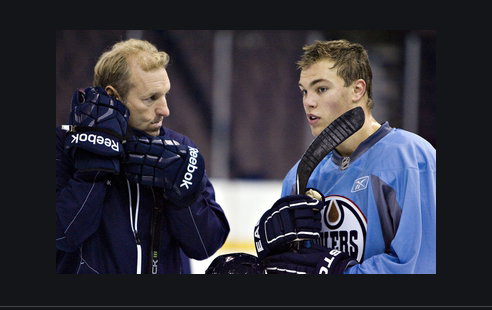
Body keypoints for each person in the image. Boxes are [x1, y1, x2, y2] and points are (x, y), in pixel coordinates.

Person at [253, 39, 436, 274]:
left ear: (357, 90)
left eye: (321, 89)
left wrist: (340, 272)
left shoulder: (411, 159)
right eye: (304, 91)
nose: (308, 102)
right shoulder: (300, 176)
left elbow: (421, 267)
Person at [56, 38, 230, 274]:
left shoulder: (179, 147)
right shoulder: (64, 145)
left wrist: (185, 199)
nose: (164, 110)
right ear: (113, 95)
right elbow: (62, 235)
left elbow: (205, 245)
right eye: (151, 98)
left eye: (165, 95)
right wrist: (91, 173)